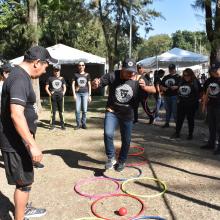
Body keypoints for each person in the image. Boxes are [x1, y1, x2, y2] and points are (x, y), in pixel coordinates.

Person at [0, 45, 57, 220]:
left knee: (25, 181)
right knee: (23, 184)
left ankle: (22, 210)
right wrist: (32, 145)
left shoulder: (19, 75)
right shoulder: (19, 79)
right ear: (36, 63)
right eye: (46, 66)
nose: (46, 69)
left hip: (18, 140)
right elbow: (16, 114)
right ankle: (20, 217)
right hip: (15, 142)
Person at [92, 58, 155, 172]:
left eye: (133, 71)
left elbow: (155, 89)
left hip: (128, 114)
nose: (131, 74)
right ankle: (111, 158)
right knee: (108, 133)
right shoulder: (112, 76)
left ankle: (122, 161)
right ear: (122, 69)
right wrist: (95, 83)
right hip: (112, 111)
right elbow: (97, 84)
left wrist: (145, 87)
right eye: (128, 71)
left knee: (126, 139)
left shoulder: (138, 77)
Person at [171, 68, 201, 140]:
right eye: (184, 75)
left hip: (191, 105)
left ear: (191, 75)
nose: (186, 76)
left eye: (187, 75)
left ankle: (190, 134)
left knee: (190, 120)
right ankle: (177, 133)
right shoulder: (181, 81)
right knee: (179, 119)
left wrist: (196, 101)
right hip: (181, 104)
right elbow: (179, 90)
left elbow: (199, 92)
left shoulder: (195, 81)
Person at [201, 63, 220, 155]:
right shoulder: (209, 80)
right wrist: (204, 105)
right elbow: (206, 93)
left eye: (216, 70)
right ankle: (211, 143)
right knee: (211, 125)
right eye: (212, 70)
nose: (214, 72)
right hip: (211, 106)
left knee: (219, 127)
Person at [45, 64, 66, 130]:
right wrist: (50, 94)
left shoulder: (62, 78)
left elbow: (64, 87)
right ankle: (53, 125)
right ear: (53, 71)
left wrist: (63, 93)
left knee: (61, 111)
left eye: (58, 70)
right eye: (55, 70)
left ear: (59, 71)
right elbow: (46, 87)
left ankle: (62, 125)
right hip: (53, 96)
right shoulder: (50, 78)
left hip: (60, 96)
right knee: (53, 111)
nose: (56, 72)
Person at [72, 61, 92, 129]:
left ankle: (83, 124)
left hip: (85, 93)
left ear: (84, 66)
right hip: (77, 94)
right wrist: (74, 94)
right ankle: (78, 124)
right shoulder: (75, 74)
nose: (81, 66)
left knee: (84, 110)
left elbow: (89, 85)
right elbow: (73, 84)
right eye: (80, 65)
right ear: (78, 66)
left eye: (82, 65)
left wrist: (90, 95)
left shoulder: (87, 74)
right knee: (77, 110)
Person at [160, 64, 181, 128]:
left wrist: (177, 87)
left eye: (172, 69)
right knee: (167, 110)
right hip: (166, 96)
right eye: (170, 69)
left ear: (175, 69)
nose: (171, 70)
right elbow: (161, 85)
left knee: (175, 111)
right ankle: (167, 123)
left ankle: (177, 125)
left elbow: (182, 85)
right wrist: (162, 88)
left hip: (174, 96)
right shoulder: (166, 77)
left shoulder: (179, 77)